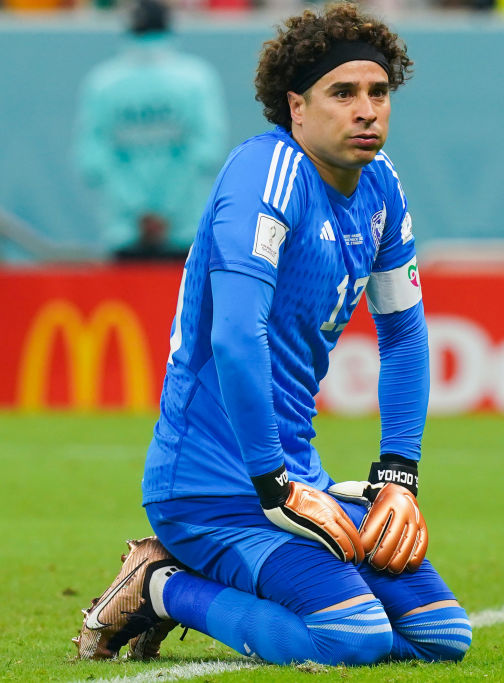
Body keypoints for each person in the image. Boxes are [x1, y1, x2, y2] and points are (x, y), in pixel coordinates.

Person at [73, 2, 471, 668]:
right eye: (343, 93)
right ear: (297, 106)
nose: (367, 111)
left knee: (442, 636)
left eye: (378, 92)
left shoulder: (381, 186)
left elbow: (404, 336)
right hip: (210, 487)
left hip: (294, 478)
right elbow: (236, 336)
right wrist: (275, 485)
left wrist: (398, 475)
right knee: (353, 636)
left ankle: (255, 585)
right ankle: (161, 585)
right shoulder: (266, 175)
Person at [75, 0, 227, 258]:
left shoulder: (102, 82)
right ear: (170, 27)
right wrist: (168, 210)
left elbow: (93, 161)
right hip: (184, 229)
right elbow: (207, 152)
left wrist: (139, 212)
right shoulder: (197, 79)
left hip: (125, 229)